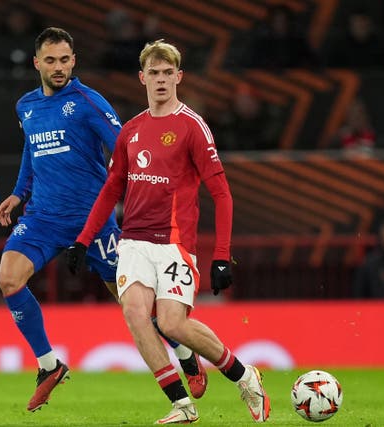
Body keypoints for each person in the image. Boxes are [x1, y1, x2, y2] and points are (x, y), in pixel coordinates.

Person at [0, 27, 206, 413]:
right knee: (8, 278)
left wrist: (148, 189)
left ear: (73, 61)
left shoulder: (88, 102)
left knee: (134, 306)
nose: (58, 67)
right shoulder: (26, 105)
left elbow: (128, 145)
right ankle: (48, 365)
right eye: (51, 60)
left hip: (93, 221)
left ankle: (184, 352)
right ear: (36, 62)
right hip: (42, 216)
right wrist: (19, 192)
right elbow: (31, 150)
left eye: (65, 60)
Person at [67, 39, 270, 424]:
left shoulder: (193, 127)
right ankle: (182, 404)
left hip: (175, 243)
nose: (160, 80)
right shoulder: (131, 130)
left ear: (179, 77)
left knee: (173, 323)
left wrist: (222, 254)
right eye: (153, 74)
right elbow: (112, 187)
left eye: (167, 73)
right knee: (135, 312)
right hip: (134, 241)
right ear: (142, 78)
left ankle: (244, 376)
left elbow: (222, 194)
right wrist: (82, 239)